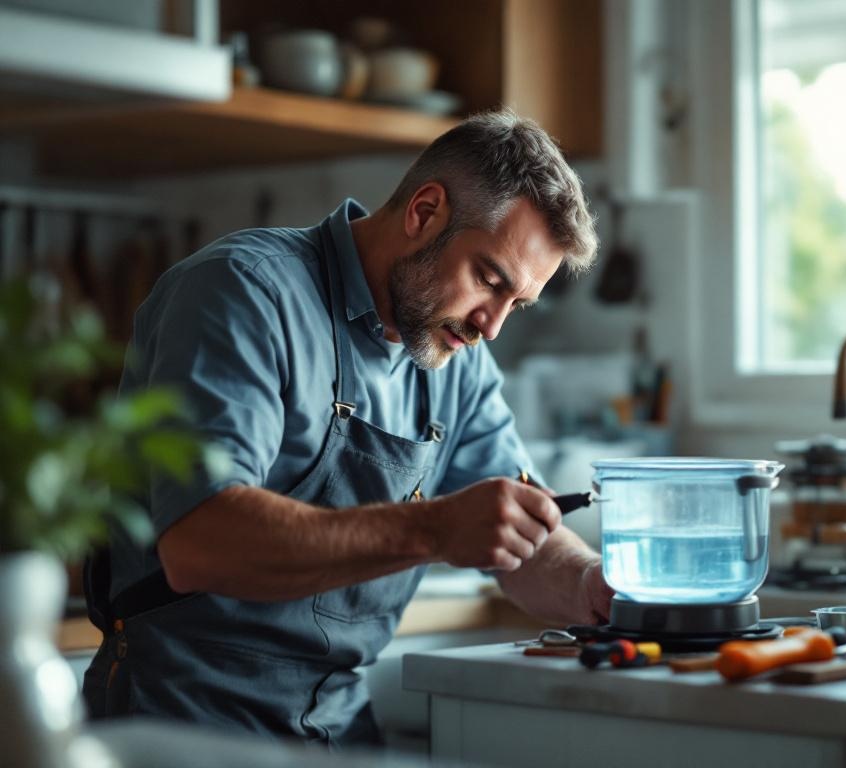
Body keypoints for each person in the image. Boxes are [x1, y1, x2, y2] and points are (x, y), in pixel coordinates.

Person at [83, 109, 611, 749]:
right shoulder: (243, 292)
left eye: (515, 304)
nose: (492, 326)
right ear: (424, 212)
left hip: (336, 727)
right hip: (183, 717)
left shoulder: (456, 363)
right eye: (488, 280)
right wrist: (436, 529)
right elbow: (201, 542)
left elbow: (523, 536)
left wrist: (596, 587)